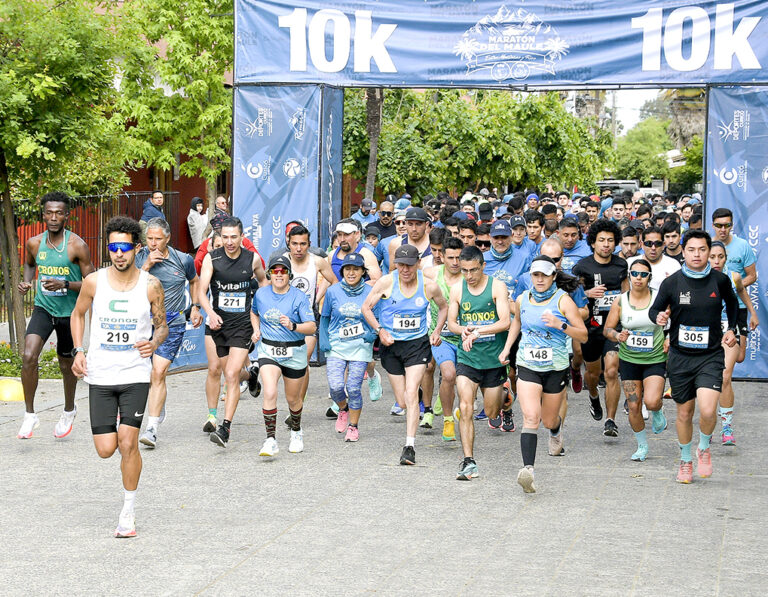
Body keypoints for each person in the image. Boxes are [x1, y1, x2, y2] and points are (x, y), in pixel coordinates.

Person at [70, 216, 168, 537]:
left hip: (135, 375)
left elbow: (162, 324)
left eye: (125, 247)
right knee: (105, 448)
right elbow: (78, 313)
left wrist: (153, 342)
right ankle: (120, 452)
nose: (119, 253)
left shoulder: (151, 286)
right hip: (99, 375)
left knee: (127, 443)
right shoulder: (94, 282)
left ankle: (128, 511)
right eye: (113, 247)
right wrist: (78, 350)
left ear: (136, 249)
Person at [649, 230, 739, 483]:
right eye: (691, 250)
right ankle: (686, 460)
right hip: (680, 357)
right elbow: (655, 309)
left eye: (702, 250)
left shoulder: (720, 280)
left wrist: (732, 328)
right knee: (685, 413)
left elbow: (732, 305)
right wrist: (659, 317)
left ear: (709, 252)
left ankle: (704, 447)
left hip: (710, 356)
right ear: (683, 251)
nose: (697, 254)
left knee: (709, 410)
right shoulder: (672, 282)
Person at [501, 256, 587, 493]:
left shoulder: (564, 301)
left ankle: (556, 430)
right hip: (527, 364)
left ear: (553, 277)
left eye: (544, 275)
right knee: (531, 417)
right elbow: (517, 322)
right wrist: (507, 349)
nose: (539, 280)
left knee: (549, 420)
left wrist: (560, 325)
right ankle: (528, 471)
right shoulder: (522, 299)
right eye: (535, 275)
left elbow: (583, 335)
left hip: (555, 367)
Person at [17, 192, 95, 439]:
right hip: (43, 308)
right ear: (43, 215)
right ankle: (30, 415)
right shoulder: (34, 243)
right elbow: (30, 264)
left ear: (66, 216)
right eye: (49, 213)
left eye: (59, 213)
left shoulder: (77, 245)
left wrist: (65, 284)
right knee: (29, 355)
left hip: (69, 313)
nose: (53, 217)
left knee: (65, 364)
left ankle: (69, 409)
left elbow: (92, 284)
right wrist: (27, 282)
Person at [362, 245, 447, 465]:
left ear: (418, 264)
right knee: (402, 401)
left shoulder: (428, 286)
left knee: (410, 395)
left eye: (409, 265)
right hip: (392, 345)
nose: (405, 270)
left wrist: (436, 330)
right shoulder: (387, 282)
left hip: (417, 345)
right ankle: (415, 393)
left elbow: (443, 307)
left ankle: (409, 446)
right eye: (401, 265)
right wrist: (380, 330)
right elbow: (366, 308)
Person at [198, 217, 266, 445]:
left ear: (242, 237)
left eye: (233, 237)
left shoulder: (252, 259)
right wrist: (210, 312)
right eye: (225, 237)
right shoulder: (211, 259)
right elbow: (201, 292)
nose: (229, 242)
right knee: (232, 372)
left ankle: (225, 428)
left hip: (242, 325)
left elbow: (264, 282)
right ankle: (252, 375)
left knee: (230, 375)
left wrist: (261, 313)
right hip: (219, 324)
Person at [135, 218, 203, 448]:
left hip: (171, 320)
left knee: (158, 371)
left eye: (158, 239)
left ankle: (151, 428)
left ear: (168, 238)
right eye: (149, 239)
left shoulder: (183, 259)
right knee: (147, 375)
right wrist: (145, 268)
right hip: (143, 322)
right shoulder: (137, 258)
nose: (153, 244)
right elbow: (128, 287)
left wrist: (195, 307)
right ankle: (158, 398)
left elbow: (194, 281)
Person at [447, 246, 511, 480]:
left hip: (493, 359)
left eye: (473, 270)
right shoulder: (457, 290)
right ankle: (468, 461)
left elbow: (504, 322)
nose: (469, 276)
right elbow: (451, 323)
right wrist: (463, 330)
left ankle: (506, 397)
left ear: (483, 266)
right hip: (468, 358)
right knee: (465, 407)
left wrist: (478, 332)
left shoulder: (497, 286)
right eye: (464, 271)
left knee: (492, 412)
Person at [251, 255, 317, 456]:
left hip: (294, 350)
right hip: (268, 350)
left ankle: (296, 431)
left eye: (283, 271)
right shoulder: (261, 294)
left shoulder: (298, 297)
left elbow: (312, 326)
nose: (278, 275)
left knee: (293, 399)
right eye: (275, 271)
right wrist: (256, 329)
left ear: (289, 274)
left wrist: (293, 325)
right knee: (270, 392)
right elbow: (254, 312)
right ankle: (270, 439)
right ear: (269, 273)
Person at [604, 259, 668, 462]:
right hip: (630, 359)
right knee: (633, 405)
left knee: (651, 401)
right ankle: (642, 445)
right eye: (635, 274)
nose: (638, 278)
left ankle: (657, 410)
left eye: (643, 274)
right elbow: (607, 329)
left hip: (654, 358)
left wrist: (668, 336)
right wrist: (617, 336)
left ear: (650, 277)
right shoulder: (621, 301)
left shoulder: (659, 298)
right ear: (629, 276)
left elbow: (676, 320)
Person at [572, 219, 628, 437]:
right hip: (591, 328)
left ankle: (610, 420)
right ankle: (594, 396)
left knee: (612, 370)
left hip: (613, 327)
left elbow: (626, 294)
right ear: (593, 243)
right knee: (593, 375)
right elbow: (572, 298)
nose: (606, 244)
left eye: (610, 241)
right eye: (601, 240)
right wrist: (586, 294)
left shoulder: (621, 265)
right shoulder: (582, 267)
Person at [319, 253, 377, 442]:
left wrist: (372, 334)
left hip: (360, 346)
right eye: (348, 269)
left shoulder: (370, 292)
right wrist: (324, 338)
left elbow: (378, 317)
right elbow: (325, 317)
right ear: (342, 271)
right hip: (337, 344)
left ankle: (353, 426)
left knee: (353, 388)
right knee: (336, 387)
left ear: (362, 272)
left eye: (356, 269)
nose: (351, 273)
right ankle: (343, 409)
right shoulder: (333, 291)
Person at [708, 241, 759, 446]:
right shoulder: (697, 277)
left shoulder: (734, 276)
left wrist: (753, 314)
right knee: (710, 377)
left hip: (731, 324)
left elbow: (742, 292)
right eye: (712, 257)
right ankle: (708, 422)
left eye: (721, 257)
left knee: (725, 375)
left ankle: (727, 426)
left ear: (726, 258)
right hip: (707, 330)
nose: (717, 261)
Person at [284, 225, 340, 406]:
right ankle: (294, 399)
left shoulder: (317, 261)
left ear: (309, 244)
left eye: (303, 244)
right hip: (285, 320)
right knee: (288, 364)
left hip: (309, 317)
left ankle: (298, 402)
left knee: (302, 360)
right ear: (288, 243)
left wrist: (318, 296)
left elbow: (334, 281)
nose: (298, 248)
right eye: (294, 244)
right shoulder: (282, 261)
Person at [711, 208, 757, 363]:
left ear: (732, 225)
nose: (723, 229)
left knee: (739, 357)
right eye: (719, 225)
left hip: (737, 305)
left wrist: (732, 286)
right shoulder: (706, 245)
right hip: (713, 306)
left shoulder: (742, 245)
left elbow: (752, 276)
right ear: (713, 226)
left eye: (727, 225)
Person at [627, 227, 680, 291]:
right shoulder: (629, 263)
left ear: (663, 245)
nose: (653, 248)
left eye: (657, 244)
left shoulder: (673, 265)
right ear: (642, 245)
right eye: (649, 243)